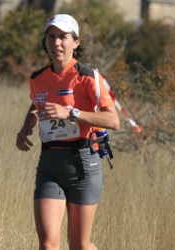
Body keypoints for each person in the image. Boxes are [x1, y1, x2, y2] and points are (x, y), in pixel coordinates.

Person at [16, 14, 120, 250]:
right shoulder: (37, 79)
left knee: (79, 246)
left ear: (76, 42)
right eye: (51, 37)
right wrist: (26, 127)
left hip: (83, 162)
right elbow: (37, 105)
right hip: (49, 163)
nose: (56, 43)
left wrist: (70, 113)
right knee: (47, 245)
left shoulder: (89, 77)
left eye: (63, 37)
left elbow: (113, 121)